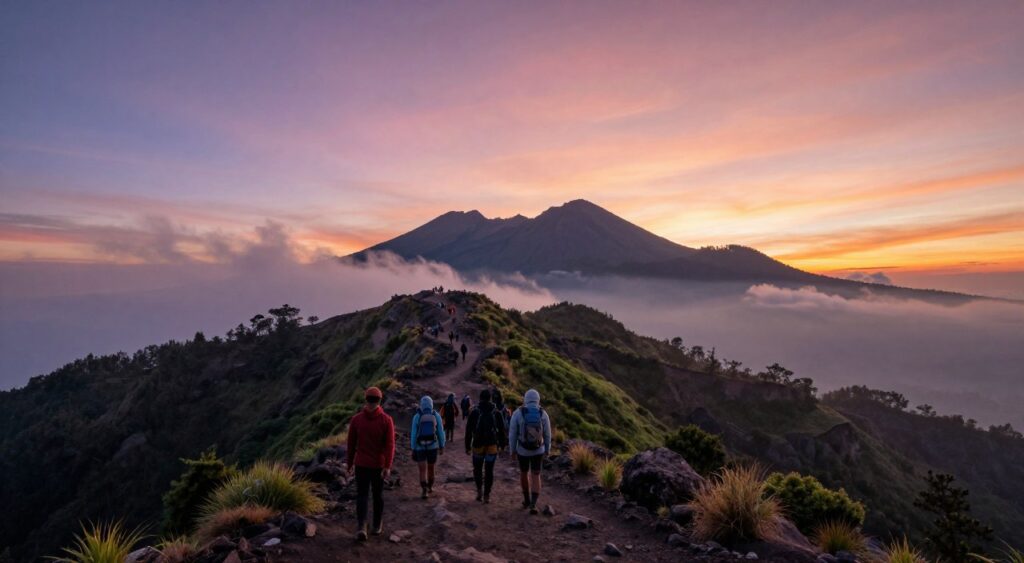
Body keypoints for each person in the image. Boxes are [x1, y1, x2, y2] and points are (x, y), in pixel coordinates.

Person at [346, 386, 396, 540]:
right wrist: (387, 466)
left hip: (361, 464)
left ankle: (361, 527)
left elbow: (351, 444)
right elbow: (390, 446)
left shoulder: (356, 420)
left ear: (366, 399)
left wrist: (349, 464)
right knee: (377, 495)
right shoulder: (387, 420)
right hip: (378, 466)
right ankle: (377, 525)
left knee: (362, 495)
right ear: (380, 400)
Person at [508, 389, 552, 514]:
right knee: (536, 475)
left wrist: (512, 451)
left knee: (524, 473)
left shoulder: (518, 413)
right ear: (538, 400)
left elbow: (512, 434)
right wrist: (548, 449)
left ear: (525, 399)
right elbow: (548, 434)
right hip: (538, 450)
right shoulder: (543, 414)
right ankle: (533, 504)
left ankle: (526, 500)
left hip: (522, 450)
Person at [465, 389, 506, 504]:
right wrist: (502, 445)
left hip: (477, 444)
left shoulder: (474, 412)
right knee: (489, 471)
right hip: (492, 445)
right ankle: (487, 495)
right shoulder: (496, 412)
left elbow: (468, 430)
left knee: (477, 469)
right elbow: (502, 430)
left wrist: (467, 446)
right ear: (490, 398)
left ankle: (479, 492)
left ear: (480, 398)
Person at [410, 395, 445, 499]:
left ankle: (424, 490)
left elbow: (413, 434)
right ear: (431, 404)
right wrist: (442, 445)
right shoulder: (436, 415)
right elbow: (440, 432)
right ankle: (430, 487)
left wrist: (413, 447)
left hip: (420, 447)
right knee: (431, 468)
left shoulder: (417, 416)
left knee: (422, 470)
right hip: (433, 446)